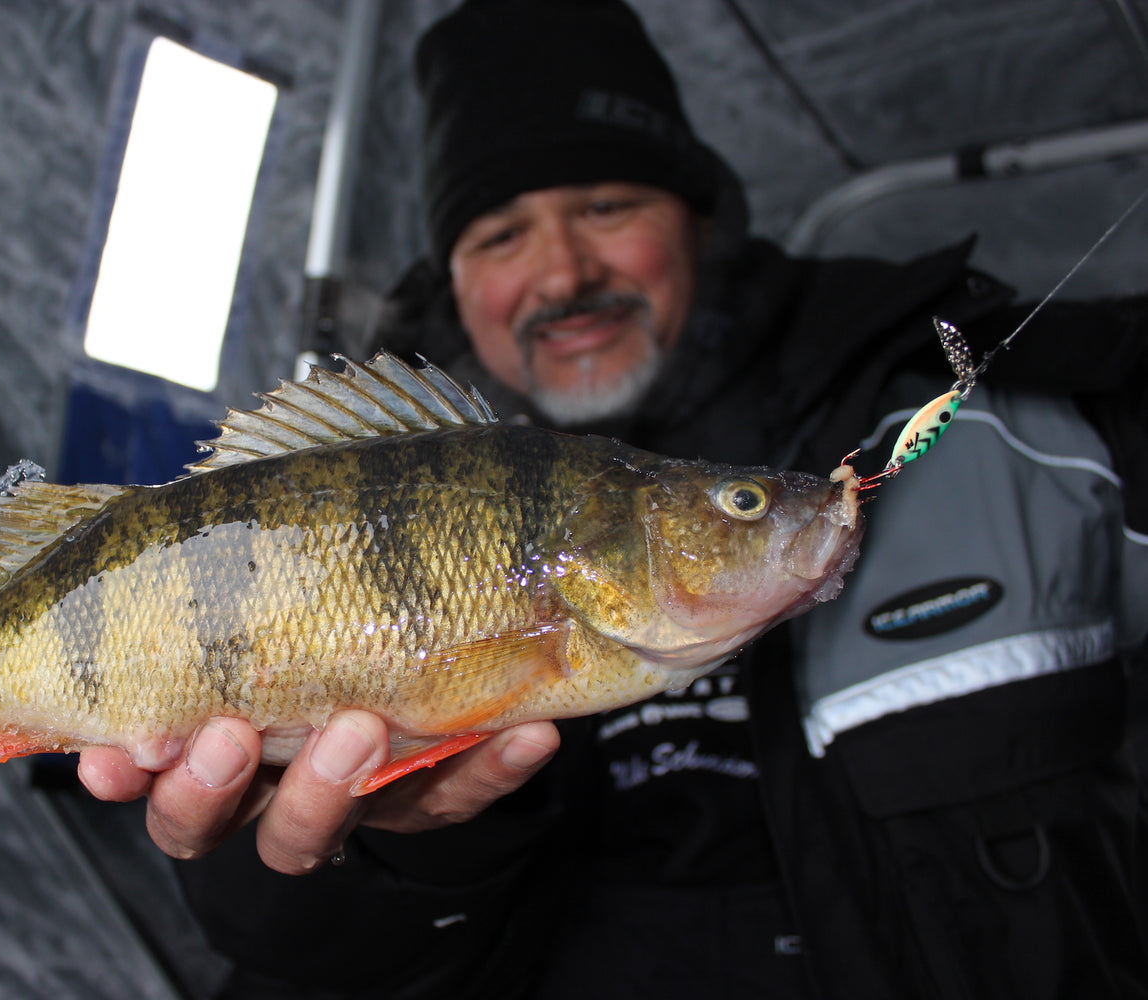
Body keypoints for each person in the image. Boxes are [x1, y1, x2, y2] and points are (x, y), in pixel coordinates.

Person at [77, 1, 1148, 996]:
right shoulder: (363, 470)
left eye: (606, 202)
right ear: (452, 278)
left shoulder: (998, 415)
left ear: (700, 219)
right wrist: (393, 850)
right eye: (500, 235)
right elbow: (287, 957)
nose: (562, 272)